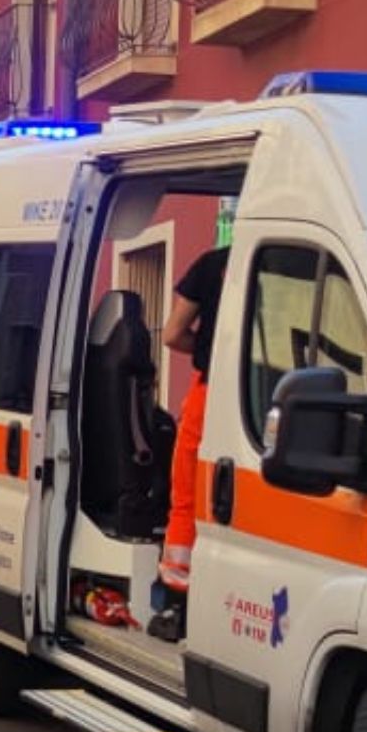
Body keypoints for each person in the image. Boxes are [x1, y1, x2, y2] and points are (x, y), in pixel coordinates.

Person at [148, 244, 230, 642]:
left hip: (212, 391)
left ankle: (175, 607)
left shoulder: (214, 263)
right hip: (273, 393)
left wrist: (209, 348)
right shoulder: (293, 259)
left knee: (188, 499)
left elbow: (173, 333)